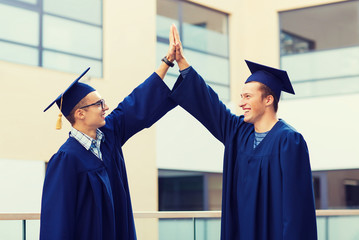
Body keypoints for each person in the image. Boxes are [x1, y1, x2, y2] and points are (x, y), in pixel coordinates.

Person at [170, 25, 317, 239]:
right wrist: (182, 62)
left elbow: (296, 208)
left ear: (268, 100)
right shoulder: (238, 133)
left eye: (247, 97)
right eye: (241, 97)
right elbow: (211, 105)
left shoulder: (289, 141)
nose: (241, 103)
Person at [40, 26, 178, 240]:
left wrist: (167, 62)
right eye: (99, 103)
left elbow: (135, 103)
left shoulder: (109, 136)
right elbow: (57, 222)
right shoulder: (66, 159)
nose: (106, 107)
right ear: (80, 114)